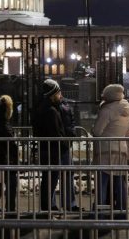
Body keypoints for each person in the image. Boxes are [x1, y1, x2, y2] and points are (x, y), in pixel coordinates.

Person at [34, 79, 75, 212]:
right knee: (51, 179)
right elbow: (57, 132)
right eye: (58, 92)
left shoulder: (43, 107)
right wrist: (65, 143)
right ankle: (49, 208)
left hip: (51, 147)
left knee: (49, 178)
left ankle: (50, 207)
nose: (60, 95)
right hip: (55, 149)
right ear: (52, 94)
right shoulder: (51, 111)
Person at [92, 84, 129, 213]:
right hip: (121, 149)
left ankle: (101, 212)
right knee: (119, 181)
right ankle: (122, 212)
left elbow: (97, 131)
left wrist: (92, 129)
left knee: (102, 183)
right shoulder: (126, 106)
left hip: (106, 150)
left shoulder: (107, 110)